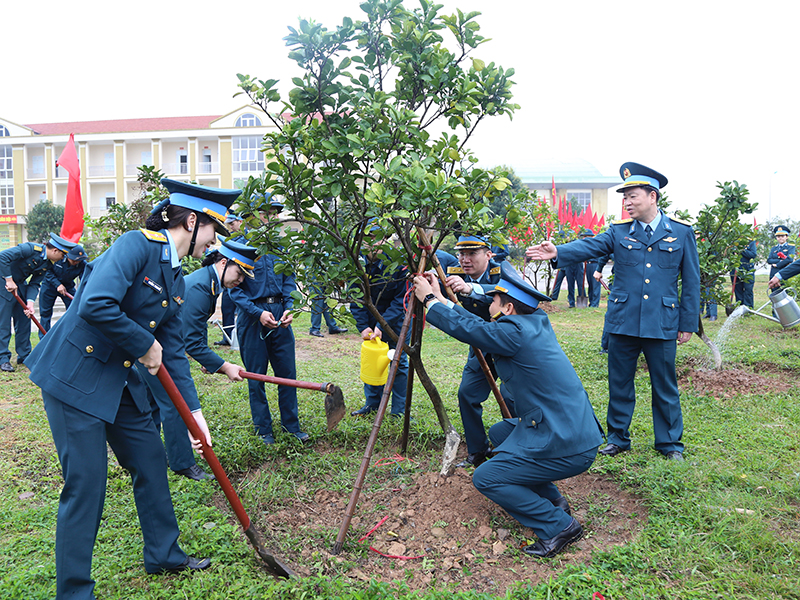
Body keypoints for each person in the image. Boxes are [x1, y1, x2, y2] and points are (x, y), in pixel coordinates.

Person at [25, 178, 240, 598]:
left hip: (118, 383)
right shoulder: (134, 245)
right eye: (214, 230)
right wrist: (145, 343)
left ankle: (164, 553)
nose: (214, 242)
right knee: (86, 483)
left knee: (150, 459)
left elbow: (173, 353)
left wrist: (194, 417)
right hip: (74, 378)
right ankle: (73, 592)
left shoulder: (175, 280)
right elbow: (95, 304)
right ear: (192, 221)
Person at [413, 262, 604, 558]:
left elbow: (471, 330)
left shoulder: (513, 333)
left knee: (487, 477)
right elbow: (477, 328)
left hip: (568, 444)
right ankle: (553, 500)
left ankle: (558, 525)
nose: (490, 303)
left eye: (495, 300)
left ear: (509, 308)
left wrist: (428, 301)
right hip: (571, 430)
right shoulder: (532, 323)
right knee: (502, 432)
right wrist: (438, 296)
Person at [527, 162, 700, 461]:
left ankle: (670, 444)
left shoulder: (681, 233)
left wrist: (687, 323)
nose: (627, 202)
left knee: (665, 385)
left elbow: (692, 282)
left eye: (632, 196)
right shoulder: (618, 233)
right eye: (625, 197)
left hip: (661, 322)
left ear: (652, 196)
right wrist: (558, 251)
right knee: (619, 383)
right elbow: (591, 246)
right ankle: (618, 438)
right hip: (623, 321)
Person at [139, 236, 257, 480]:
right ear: (224, 263)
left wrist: (207, 361)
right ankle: (182, 462)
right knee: (175, 403)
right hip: (153, 349)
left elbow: (190, 333)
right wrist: (224, 366)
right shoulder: (201, 288)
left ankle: (147, 456)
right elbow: (192, 343)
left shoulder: (209, 283)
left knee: (152, 404)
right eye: (240, 273)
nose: (241, 280)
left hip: (156, 345)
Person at [230, 196, 309, 445]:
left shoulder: (280, 246)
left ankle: (291, 426)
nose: (273, 218)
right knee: (256, 376)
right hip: (252, 318)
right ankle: (263, 429)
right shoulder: (238, 247)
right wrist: (257, 313)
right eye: (268, 213)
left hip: (279, 314)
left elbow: (289, 282)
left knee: (288, 374)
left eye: (275, 214)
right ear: (251, 215)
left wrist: (289, 309)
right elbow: (234, 290)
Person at [440, 234, 513, 466]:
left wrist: (472, 288)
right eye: (461, 254)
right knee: (467, 394)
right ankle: (477, 451)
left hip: (510, 345)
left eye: (472, 253)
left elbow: (508, 291)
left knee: (513, 397)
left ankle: (517, 448)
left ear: (488, 255)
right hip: (481, 348)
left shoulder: (503, 271)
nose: (465, 259)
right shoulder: (455, 273)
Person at [350, 225, 410, 417]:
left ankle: (398, 411)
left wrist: (381, 325)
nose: (372, 243)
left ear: (386, 239)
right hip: (370, 321)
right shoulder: (355, 264)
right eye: (366, 238)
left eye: (376, 237)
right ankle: (372, 404)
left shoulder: (399, 263)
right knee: (372, 360)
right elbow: (355, 297)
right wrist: (363, 326)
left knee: (397, 362)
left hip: (396, 321)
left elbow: (402, 299)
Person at [1, 232, 75, 372]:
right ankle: (3, 359)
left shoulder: (47, 264)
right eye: (62, 255)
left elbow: (35, 283)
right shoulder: (29, 249)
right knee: (3, 323)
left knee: (24, 320)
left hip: (19, 285)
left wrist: (30, 303)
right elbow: (3, 257)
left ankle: (24, 355)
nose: (63, 258)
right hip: (3, 283)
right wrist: (9, 280)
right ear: (55, 250)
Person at [38, 244, 88, 336]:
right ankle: (44, 337)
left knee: (74, 309)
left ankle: (71, 334)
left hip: (67, 287)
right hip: (49, 286)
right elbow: (47, 272)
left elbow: (84, 280)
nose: (76, 262)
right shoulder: (58, 258)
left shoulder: (82, 264)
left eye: (78, 260)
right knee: (45, 313)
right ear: (68, 256)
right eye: (74, 260)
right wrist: (58, 284)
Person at [215, 213, 245, 346]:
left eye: (232, 224)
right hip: (229, 281)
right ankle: (227, 337)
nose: (230, 227)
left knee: (242, 309)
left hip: (241, 280)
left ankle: (239, 337)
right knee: (227, 308)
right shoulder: (231, 238)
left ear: (240, 221)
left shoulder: (247, 238)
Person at [579, 230, 601, 308]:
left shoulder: (596, 244)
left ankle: (595, 304)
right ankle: (591, 302)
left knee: (595, 285)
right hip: (588, 265)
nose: (584, 238)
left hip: (595, 264)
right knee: (590, 285)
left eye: (586, 236)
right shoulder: (586, 245)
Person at [732, 239, 757, 308]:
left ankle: (748, 308)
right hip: (736, 269)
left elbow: (753, 254)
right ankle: (740, 308)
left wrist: (741, 250)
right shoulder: (732, 241)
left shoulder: (750, 242)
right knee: (738, 290)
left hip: (747, 269)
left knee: (748, 290)